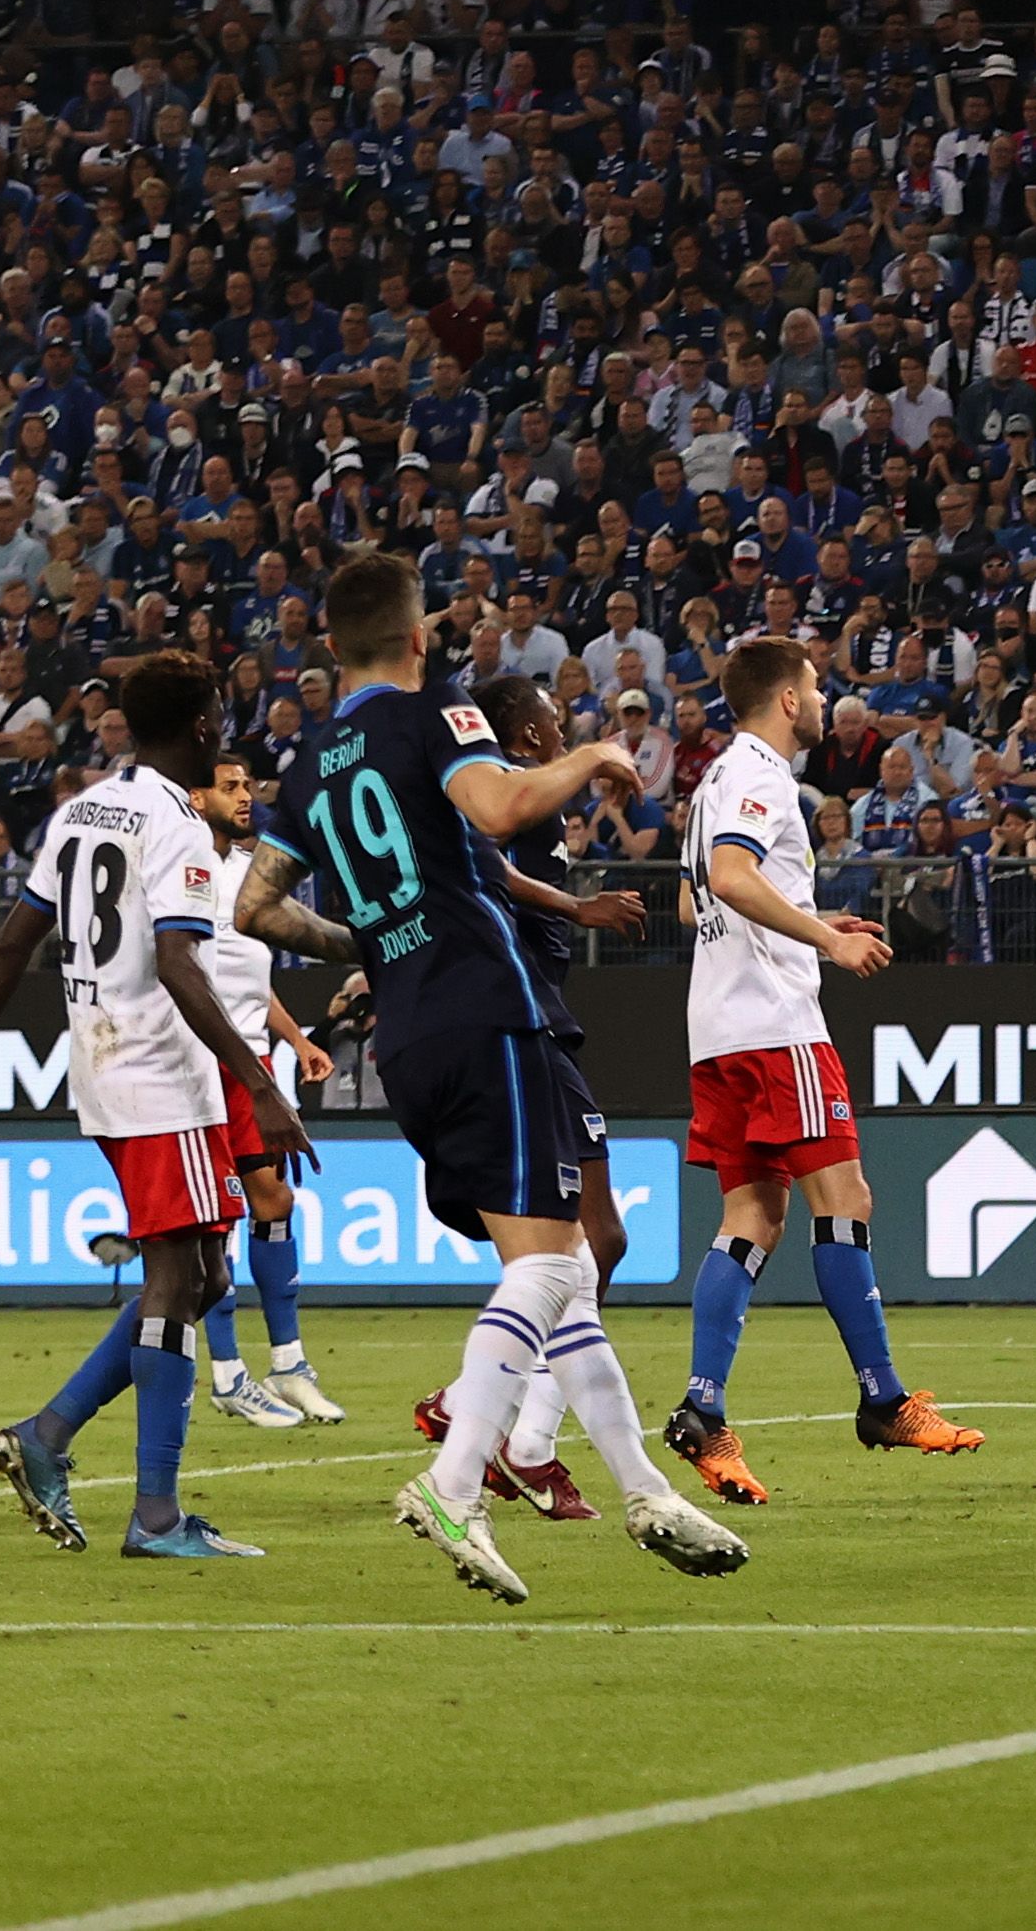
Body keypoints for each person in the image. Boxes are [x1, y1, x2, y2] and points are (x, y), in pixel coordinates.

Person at [233, 551, 745, 1602]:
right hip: (485, 1009)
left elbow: (255, 909)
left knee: (560, 1267)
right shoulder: (437, 711)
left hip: (411, 1035)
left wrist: (372, 937)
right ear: (419, 640)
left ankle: (645, 1488)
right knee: (558, 1269)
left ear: (331, 646)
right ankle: (455, 1474)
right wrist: (596, 745)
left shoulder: (306, 764)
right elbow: (502, 806)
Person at [0, 655, 318, 1558]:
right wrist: (260, 1083)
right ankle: (155, 1516)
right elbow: (181, 963)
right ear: (206, 727)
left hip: (106, 1070)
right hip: (159, 1075)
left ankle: (50, 1435)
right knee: (180, 1283)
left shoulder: (82, 809)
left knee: (205, 1277)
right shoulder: (177, 824)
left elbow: (13, 940)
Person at [667, 634, 982, 1508]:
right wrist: (826, 940)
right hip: (777, 1028)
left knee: (751, 1216)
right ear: (786, 701)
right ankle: (883, 1399)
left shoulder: (712, 782)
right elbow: (730, 877)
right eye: (812, 686)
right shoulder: (765, 775)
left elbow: (693, 896)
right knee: (844, 1201)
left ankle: (704, 1410)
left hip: (716, 1029)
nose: (820, 696)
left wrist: (803, 909)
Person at [408, 670, 654, 1515]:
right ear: (519, 736)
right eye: (551, 719)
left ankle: (488, 1415)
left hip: (543, 1015)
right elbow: (484, 873)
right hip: (522, 1023)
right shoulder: (497, 793)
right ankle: (517, 1438)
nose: (563, 726)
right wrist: (578, 907)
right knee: (589, 1243)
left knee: (595, 1244)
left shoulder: (530, 793)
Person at [188, 756, 348, 1429]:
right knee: (217, 1218)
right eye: (229, 786)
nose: (245, 796)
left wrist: (298, 1039)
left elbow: (248, 976)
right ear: (196, 797)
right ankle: (227, 1370)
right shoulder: (183, 866)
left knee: (274, 1198)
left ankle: (288, 1366)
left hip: (251, 1058)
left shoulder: (242, 873)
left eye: (248, 785)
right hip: (201, 1058)